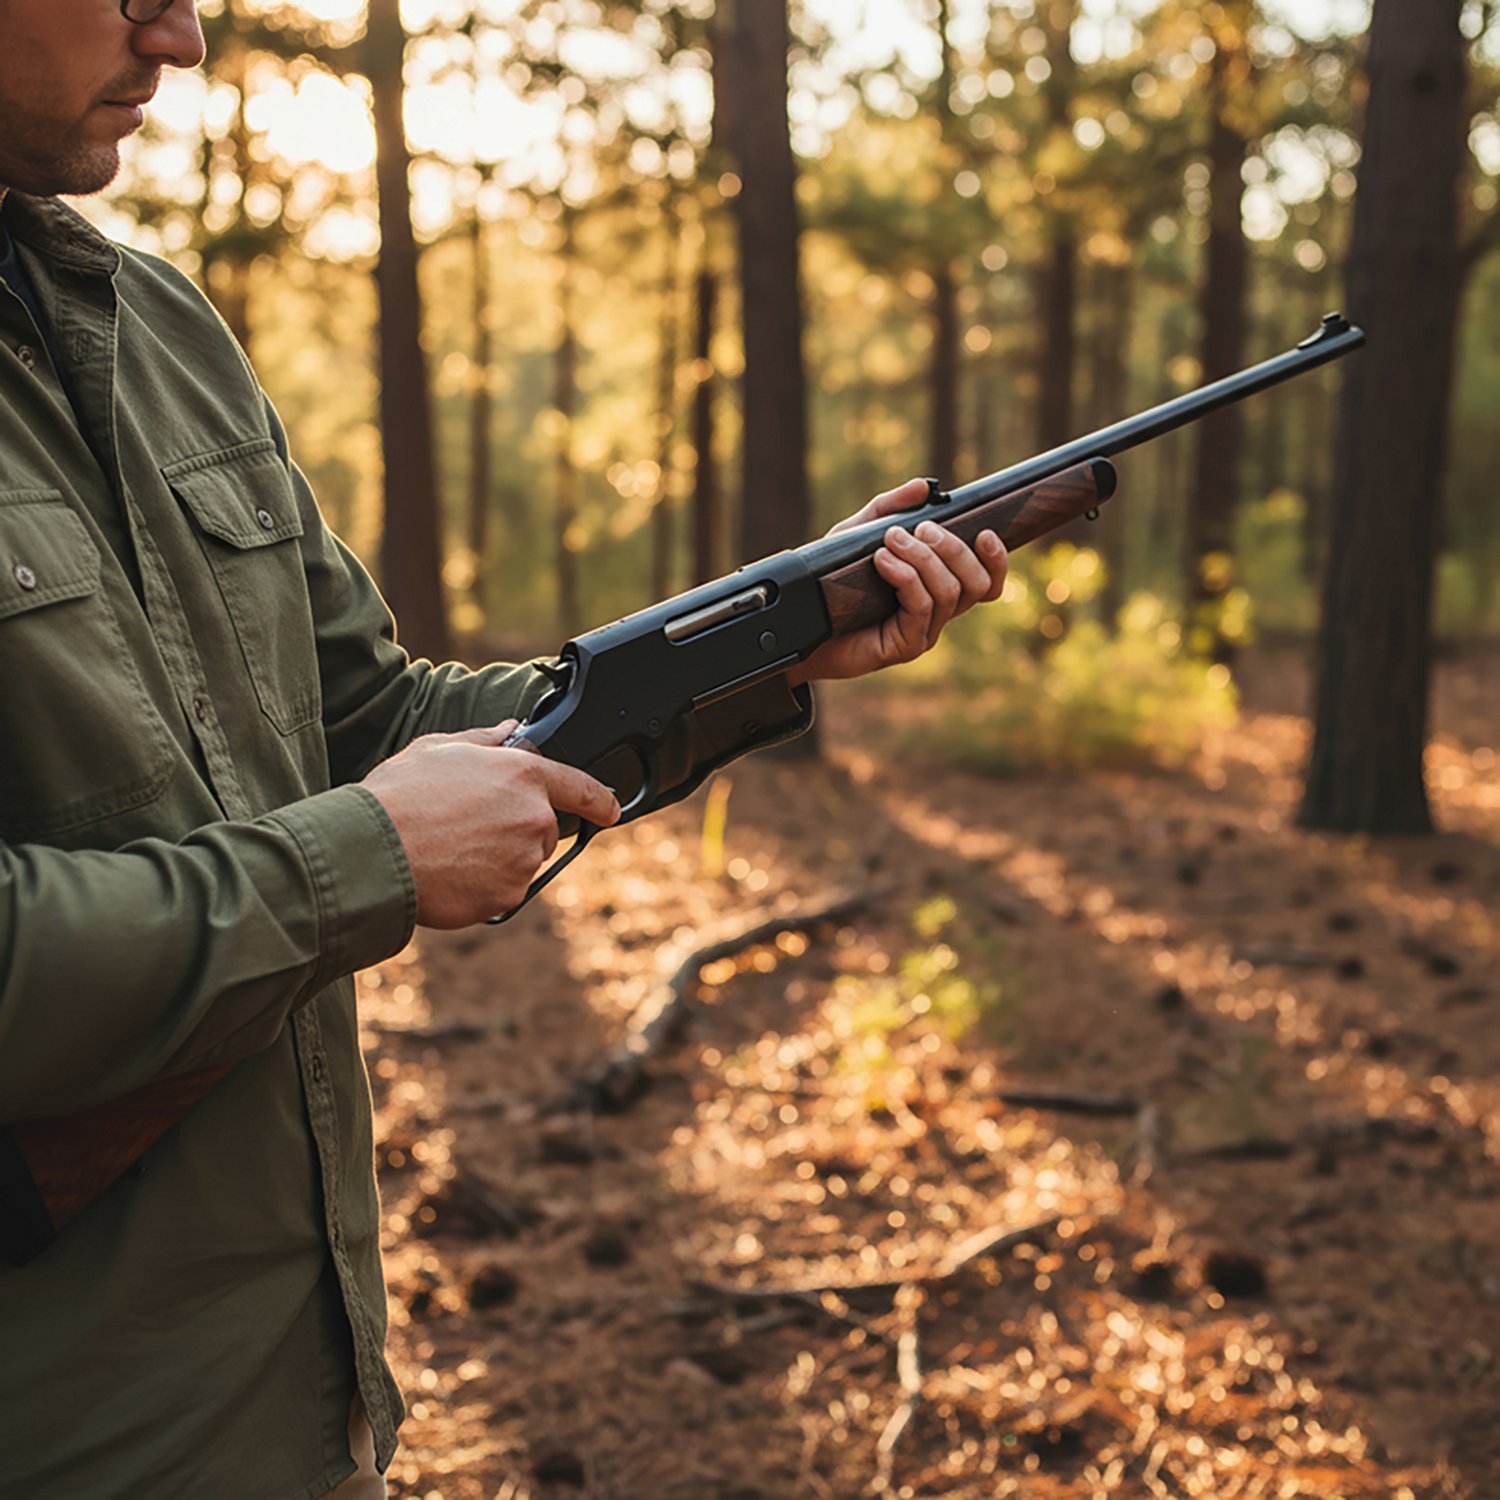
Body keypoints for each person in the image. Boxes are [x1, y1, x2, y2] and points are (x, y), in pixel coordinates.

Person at [0, 1, 1010, 1495]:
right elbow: (365, 820)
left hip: (294, 1401)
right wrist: (360, 861)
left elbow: (376, 721)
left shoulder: (158, 330)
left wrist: (763, 644)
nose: (186, 37)